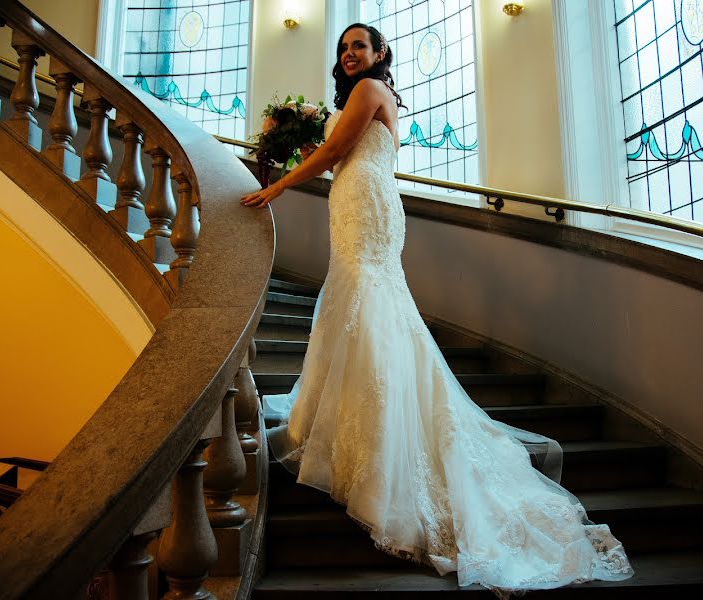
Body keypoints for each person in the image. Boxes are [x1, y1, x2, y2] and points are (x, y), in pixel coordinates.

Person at [240, 23, 633, 596]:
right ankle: (347, 418)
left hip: (366, 205)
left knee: (368, 302)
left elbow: (330, 152)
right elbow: (332, 154)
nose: (351, 54)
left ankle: (382, 446)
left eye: (361, 47)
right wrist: (289, 144)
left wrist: (274, 188)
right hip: (355, 199)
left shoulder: (371, 92)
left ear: (380, 56)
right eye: (345, 47)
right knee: (358, 302)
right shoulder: (358, 99)